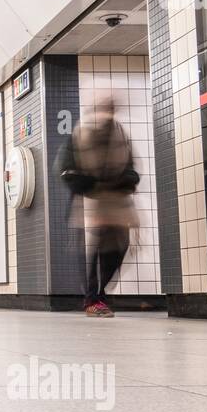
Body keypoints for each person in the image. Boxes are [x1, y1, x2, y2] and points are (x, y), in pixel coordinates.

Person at [57, 92, 140, 318]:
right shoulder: (80, 134)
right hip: (88, 204)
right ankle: (92, 299)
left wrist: (127, 180)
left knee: (119, 250)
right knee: (91, 254)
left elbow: (131, 166)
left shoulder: (120, 134)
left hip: (117, 204)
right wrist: (90, 185)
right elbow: (66, 169)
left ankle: (100, 294)